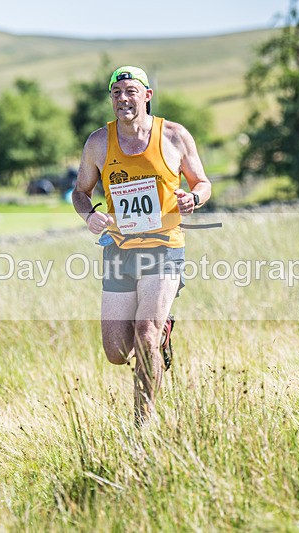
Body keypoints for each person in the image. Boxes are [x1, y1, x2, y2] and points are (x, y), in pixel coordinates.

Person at [72, 65, 212, 425]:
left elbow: (202, 183)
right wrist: (89, 216)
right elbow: (80, 192)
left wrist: (192, 200)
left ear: (147, 95)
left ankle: (143, 422)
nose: (123, 99)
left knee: (144, 330)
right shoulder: (98, 143)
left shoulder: (175, 136)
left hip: (165, 248)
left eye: (131, 91)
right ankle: (163, 334)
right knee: (117, 351)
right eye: (116, 93)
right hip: (119, 252)